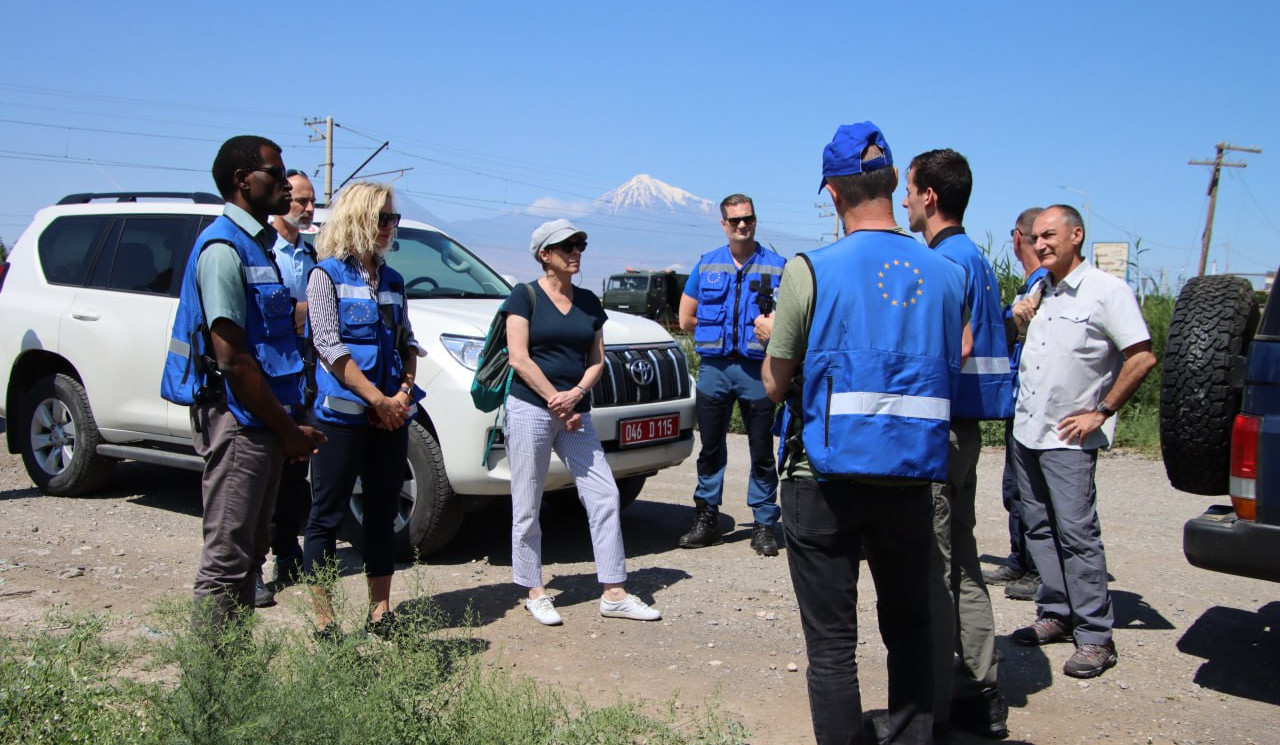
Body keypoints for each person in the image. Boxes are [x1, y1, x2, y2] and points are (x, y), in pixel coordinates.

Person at [763, 122, 967, 745]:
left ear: (833, 193)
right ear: (890, 183)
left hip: (819, 481)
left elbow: (775, 384)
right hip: (908, 482)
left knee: (831, 648)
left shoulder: (809, 270)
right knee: (909, 629)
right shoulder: (944, 274)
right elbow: (948, 368)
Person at [161, 135, 325, 633]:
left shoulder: (258, 248)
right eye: (274, 175)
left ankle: (234, 675)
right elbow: (234, 361)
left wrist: (290, 424)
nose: (284, 182)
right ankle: (211, 694)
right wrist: (288, 432)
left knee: (251, 554)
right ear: (241, 181)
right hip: (239, 424)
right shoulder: (222, 249)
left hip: (263, 423)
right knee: (227, 560)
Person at [1008, 205, 1156, 679]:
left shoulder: (1106, 292)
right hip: (1027, 430)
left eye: (1050, 235)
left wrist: (1102, 411)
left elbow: (1142, 357)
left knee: (1076, 536)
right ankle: (1057, 614)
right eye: (1036, 236)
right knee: (1038, 529)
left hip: (1069, 438)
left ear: (1077, 235)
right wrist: (1019, 319)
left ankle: (1096, 636)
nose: (1042, 243)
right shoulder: (1039, 289)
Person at [902, 148, 1013, 741]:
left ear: (930, 198)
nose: (903, 201)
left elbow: (954, 349)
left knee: (935, 564)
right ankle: (982, 687)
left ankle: (939, 705)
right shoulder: (974, 256)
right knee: (963, 559)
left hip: (943, 431)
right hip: (966, 430)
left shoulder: (945, 263)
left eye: (910, 190)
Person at [504, 219, 660, 626]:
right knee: (528, 500)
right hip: (532, 409)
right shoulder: (523, 297)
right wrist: (556, 400)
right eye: (566, 246)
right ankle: (533, 589)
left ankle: (614, 591)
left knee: (604, 494)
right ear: (544, 255)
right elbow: (518, 357)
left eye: (580, 245)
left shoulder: (589, 302)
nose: (576, 252)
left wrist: (575, 395)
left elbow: (597, 360)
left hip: (576, 412)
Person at [303, 182, 424, 640]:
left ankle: (380, 612)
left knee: (381, 513)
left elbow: (407, 343)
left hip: (390, 416)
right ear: (358, 219)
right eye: (383, 219)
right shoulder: (326, 276)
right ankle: (325, 619)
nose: (391, 227)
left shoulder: (392, 280)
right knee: (327, 515)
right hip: (342, 418)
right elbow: (329, 346)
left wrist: (402, 395)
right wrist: (376, 399)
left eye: (394, 219)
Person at [676, 194, 787, 556]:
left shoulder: (778, 266)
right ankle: (706, 517)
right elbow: (686, 319)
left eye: (749, 219)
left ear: (755, 220)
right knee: (710, 448)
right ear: (724, 224)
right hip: (714, 370)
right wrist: (718, 335)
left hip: (759, 370)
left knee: (761, 449)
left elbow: (793, 319)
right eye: (736, 220)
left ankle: (764, 523)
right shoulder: (707, 264)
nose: (743, 225)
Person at [255, 169, 319, 607]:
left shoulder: (310, 253)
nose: (309, 208)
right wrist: (307, 308)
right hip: (264, 372)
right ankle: (250, 566)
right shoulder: (261, 251)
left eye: (312, 201)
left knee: (297, 464)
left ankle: (286, 551)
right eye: (301, 200)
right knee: (259, 470)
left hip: (303, 371)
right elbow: (268, 314)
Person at [982, 207, 1050, 602]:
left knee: (1031, 490)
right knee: (1015, 486)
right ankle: (1021, 558)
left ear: (1015, 238)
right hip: (1019, 400)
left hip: (1036, 402)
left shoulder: (1044, 284)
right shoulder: (1031, 285)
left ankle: (1040, 568)